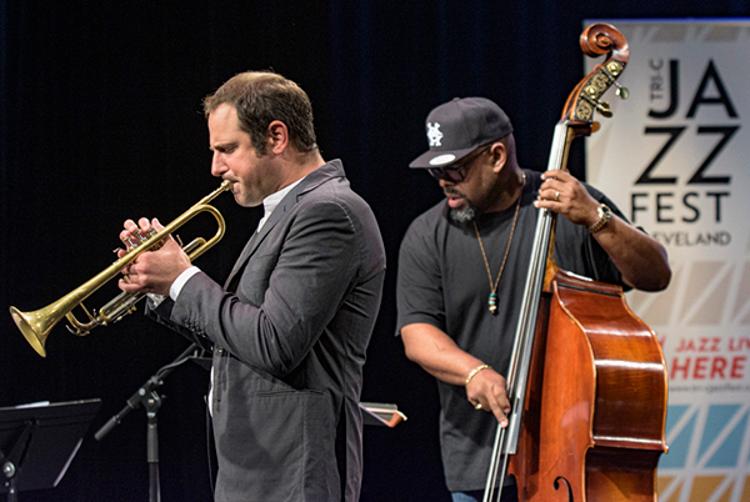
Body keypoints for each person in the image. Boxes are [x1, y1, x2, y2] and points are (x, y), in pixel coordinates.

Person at [116, 71, 386, 502]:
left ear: (276, 136)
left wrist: (183, 278)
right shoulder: (287, 211)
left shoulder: (329, 212)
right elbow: (238, 338)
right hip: (255, 468)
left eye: (227, 150)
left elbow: (274, 342)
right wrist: (159, 286)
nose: (215, 168)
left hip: (293, 473)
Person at [396, 97, 671, 502]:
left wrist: (597, 217)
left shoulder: (568, 208)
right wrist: (473, 372)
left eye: (454, 168)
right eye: (435, 170)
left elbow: (655, 274)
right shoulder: (426, 234)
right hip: (479, 460)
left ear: (495, 156)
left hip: (574, 460)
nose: (442, 180)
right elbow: (417, 333)